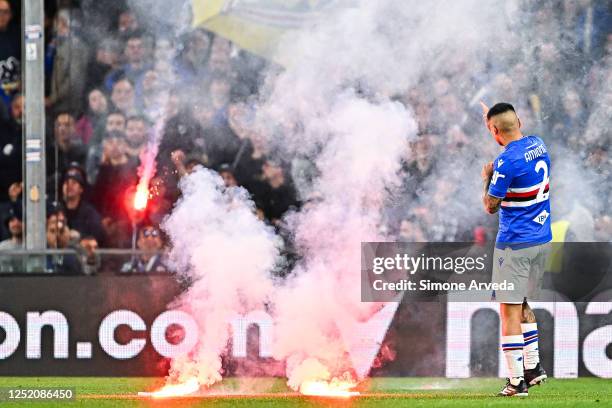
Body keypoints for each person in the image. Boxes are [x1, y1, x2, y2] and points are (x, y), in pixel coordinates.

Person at [480, 102, 550, 397]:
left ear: (494, 131)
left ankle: (515, 381)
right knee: (522, 304)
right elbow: (514, 139)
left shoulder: (505, 162)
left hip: (515, 243)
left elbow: (490, 206)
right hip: (541, 239)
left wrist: (487, 177)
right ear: (519, 120)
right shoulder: (538, 143)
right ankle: (533, 369)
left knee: (508, 311)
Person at [61, 166, 106, 245]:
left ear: (81, 189)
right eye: (66, 182)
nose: (69, 186)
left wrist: (80, 236)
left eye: (74, 183)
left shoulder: (89, 213)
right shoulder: (58, 210)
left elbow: (99, 235)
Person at [0, 202, 22, 272]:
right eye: (12, 220)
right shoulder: (2, 247)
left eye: (19, 220)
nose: (16, 224)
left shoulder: (33, 246)